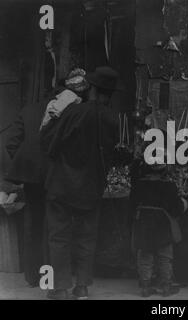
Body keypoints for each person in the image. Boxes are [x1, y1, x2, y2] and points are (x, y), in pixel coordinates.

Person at [40, 66, 120, 300]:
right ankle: (82, 287)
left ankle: (61, 288)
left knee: (59, 237)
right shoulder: (112, 118)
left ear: (91, 88)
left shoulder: (74, 112)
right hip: (92, 186)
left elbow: (48, 143)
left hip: (62, 184)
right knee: (87, 237)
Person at [5, 69, 90, 288]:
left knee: (33, 222)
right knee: (56, 225)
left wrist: (27, 166)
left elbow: (11, 143)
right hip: (56, 174)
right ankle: (51, 277)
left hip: (32, 176)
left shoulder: (29, 109)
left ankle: (34, 275)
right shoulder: (72, 110)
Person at [130, 151, 188, 297]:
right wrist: (184, 204)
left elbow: (131, 206)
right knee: (165, 256)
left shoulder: (138, 185)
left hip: (143, 226)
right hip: (163, 227)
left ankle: (145, 286)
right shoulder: (169, 186)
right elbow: (176, 210)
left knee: (144, 256)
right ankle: (166, 286)